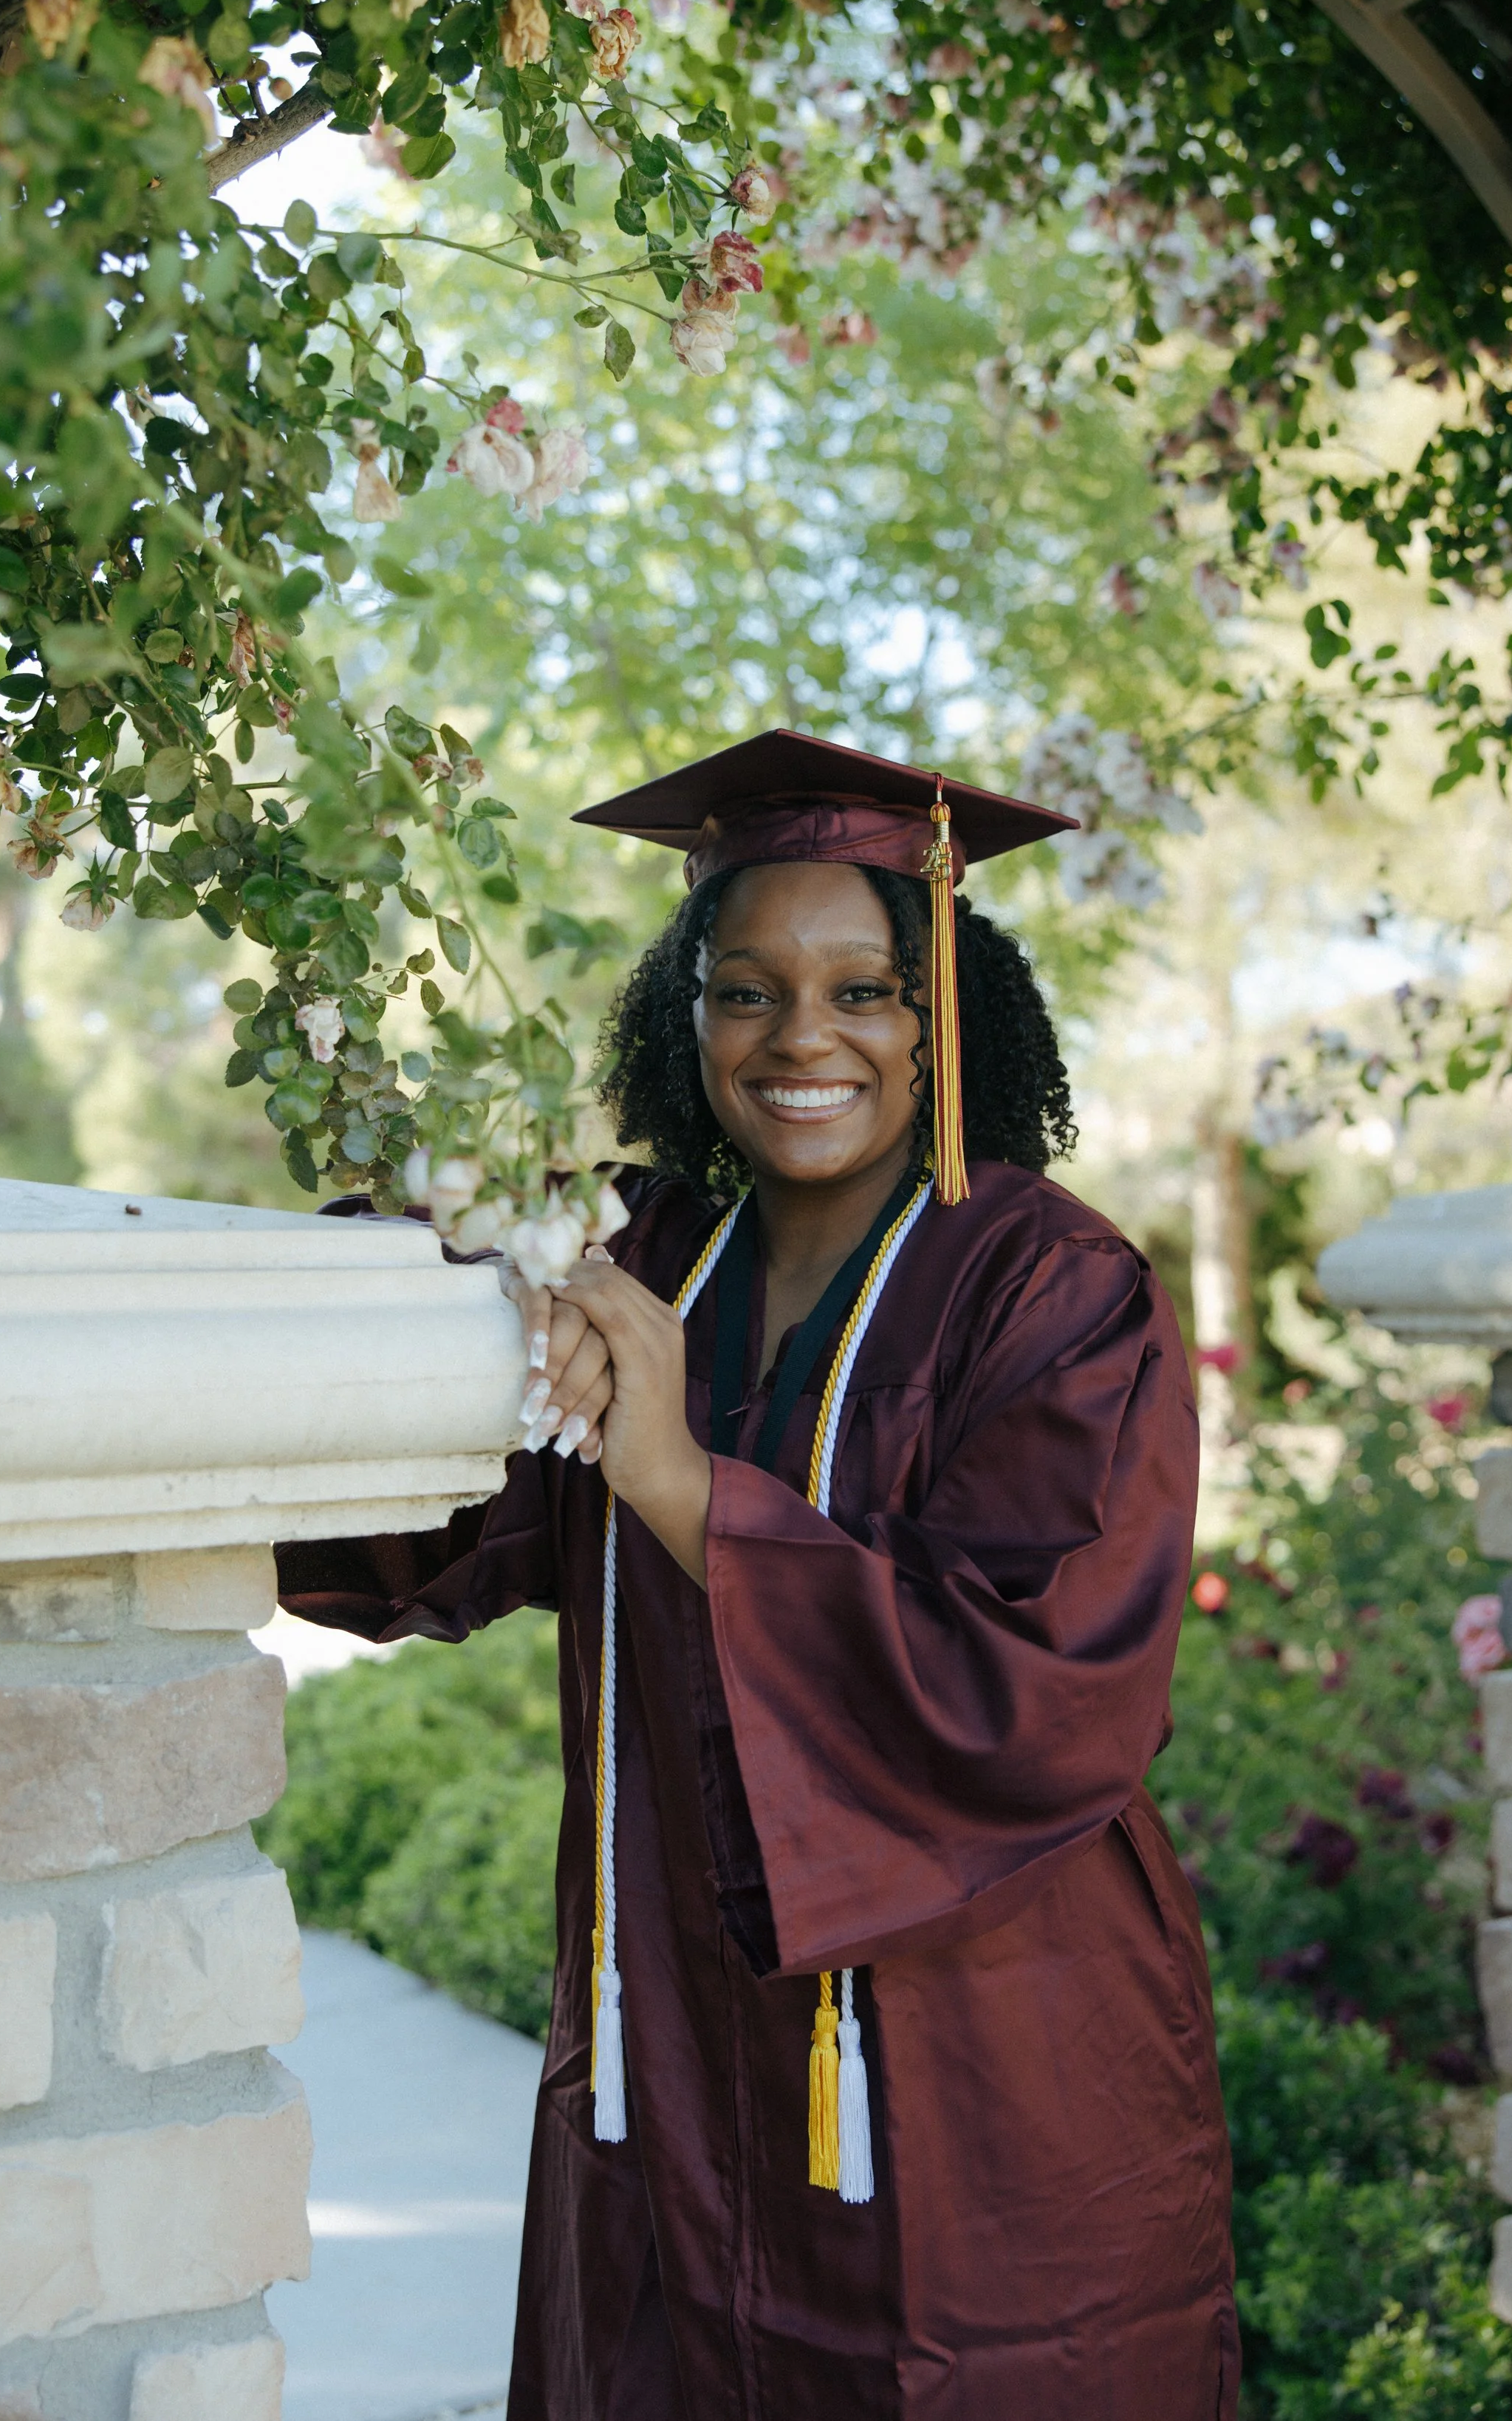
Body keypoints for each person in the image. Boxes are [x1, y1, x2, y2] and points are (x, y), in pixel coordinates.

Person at [276, 728, 1237, 2421]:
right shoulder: (635, 1259)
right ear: (685, 1016)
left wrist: (677, 1487)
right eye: (744, 991)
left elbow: (1033, 1688)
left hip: (979, 2067)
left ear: (943, 1016)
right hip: (668, 2057)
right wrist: (439, 1291)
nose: (804, 1037)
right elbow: (416, 1529)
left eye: (864, 990)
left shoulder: (1051, 1292)